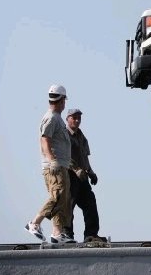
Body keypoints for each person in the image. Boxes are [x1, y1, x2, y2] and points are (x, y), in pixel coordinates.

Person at [25, 84, 76, 244]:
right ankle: (34, 223)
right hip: (54, 166)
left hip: (62, 165)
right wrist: (52, 160)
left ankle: (57, 233)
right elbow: (44, 139)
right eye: (64, 101)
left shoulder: (57, 117)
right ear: (61, 100)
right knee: (58, 196)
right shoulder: (51, 117)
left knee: (63, 198)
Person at [63, 108, 106, 243]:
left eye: (79, 118)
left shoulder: (81, 136)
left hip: (83, 177)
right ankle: (66, 235)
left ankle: (91, 235)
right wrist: (75, 170)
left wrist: (91, 172)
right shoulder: (64, 135)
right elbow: (63, 156)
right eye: (74, 117)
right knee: (69, 205)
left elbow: (85, 157)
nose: (77, 120)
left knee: (90, 204)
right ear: (67, 118)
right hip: (69, 176)